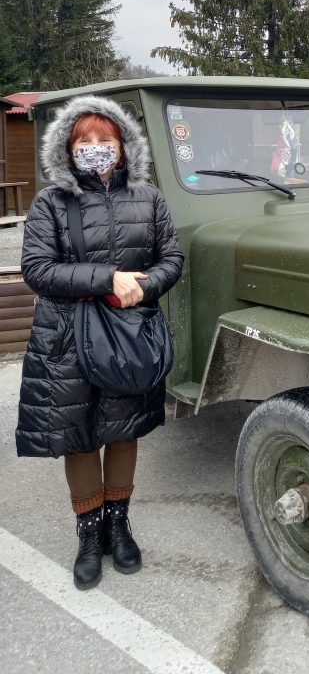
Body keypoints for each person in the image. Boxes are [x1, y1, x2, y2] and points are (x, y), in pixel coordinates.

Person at [16, 95, 184, 589]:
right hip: (66, 337)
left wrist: (143, 287)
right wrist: (109, 278)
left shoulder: (149, 199)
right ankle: (89, 534)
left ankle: (119, 524)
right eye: (83, 142)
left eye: (104, 140)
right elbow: (37, 269)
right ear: (67, 152)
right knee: (80, 435)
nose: (95, 149)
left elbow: (170, 259)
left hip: (128, 334)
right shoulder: (51, 202)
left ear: (124, 146)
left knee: (122, 428)